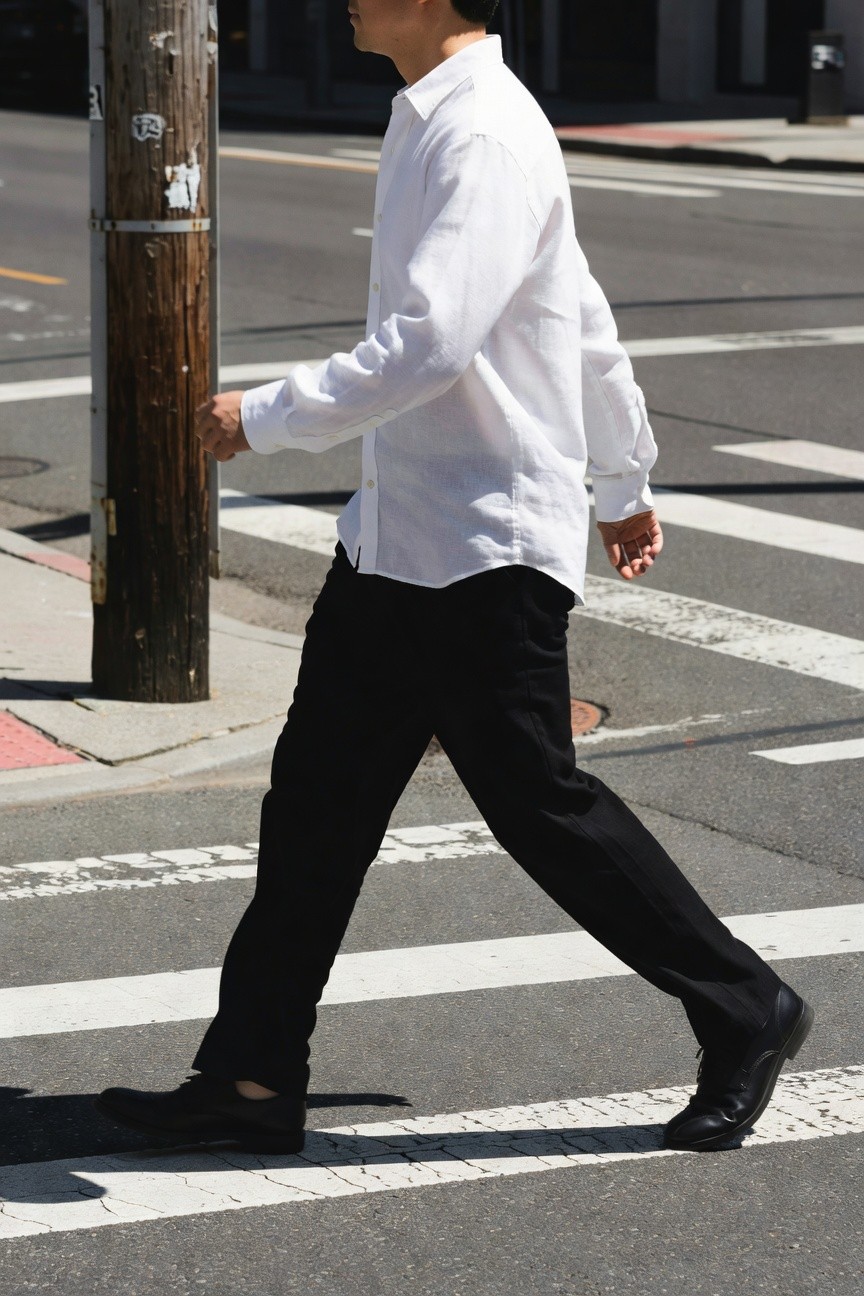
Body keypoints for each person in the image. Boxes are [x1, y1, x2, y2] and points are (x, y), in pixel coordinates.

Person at [96, 0, 812, 1156]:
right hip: (399, 544)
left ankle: (746, 1007)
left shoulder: (480, 131)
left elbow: (432, 341)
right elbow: (577, 314)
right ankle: (250, 1081)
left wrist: (265, 417)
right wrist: (626, 475)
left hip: (478, 549)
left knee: (543, 811)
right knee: (315, 814)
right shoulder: (436, 116)